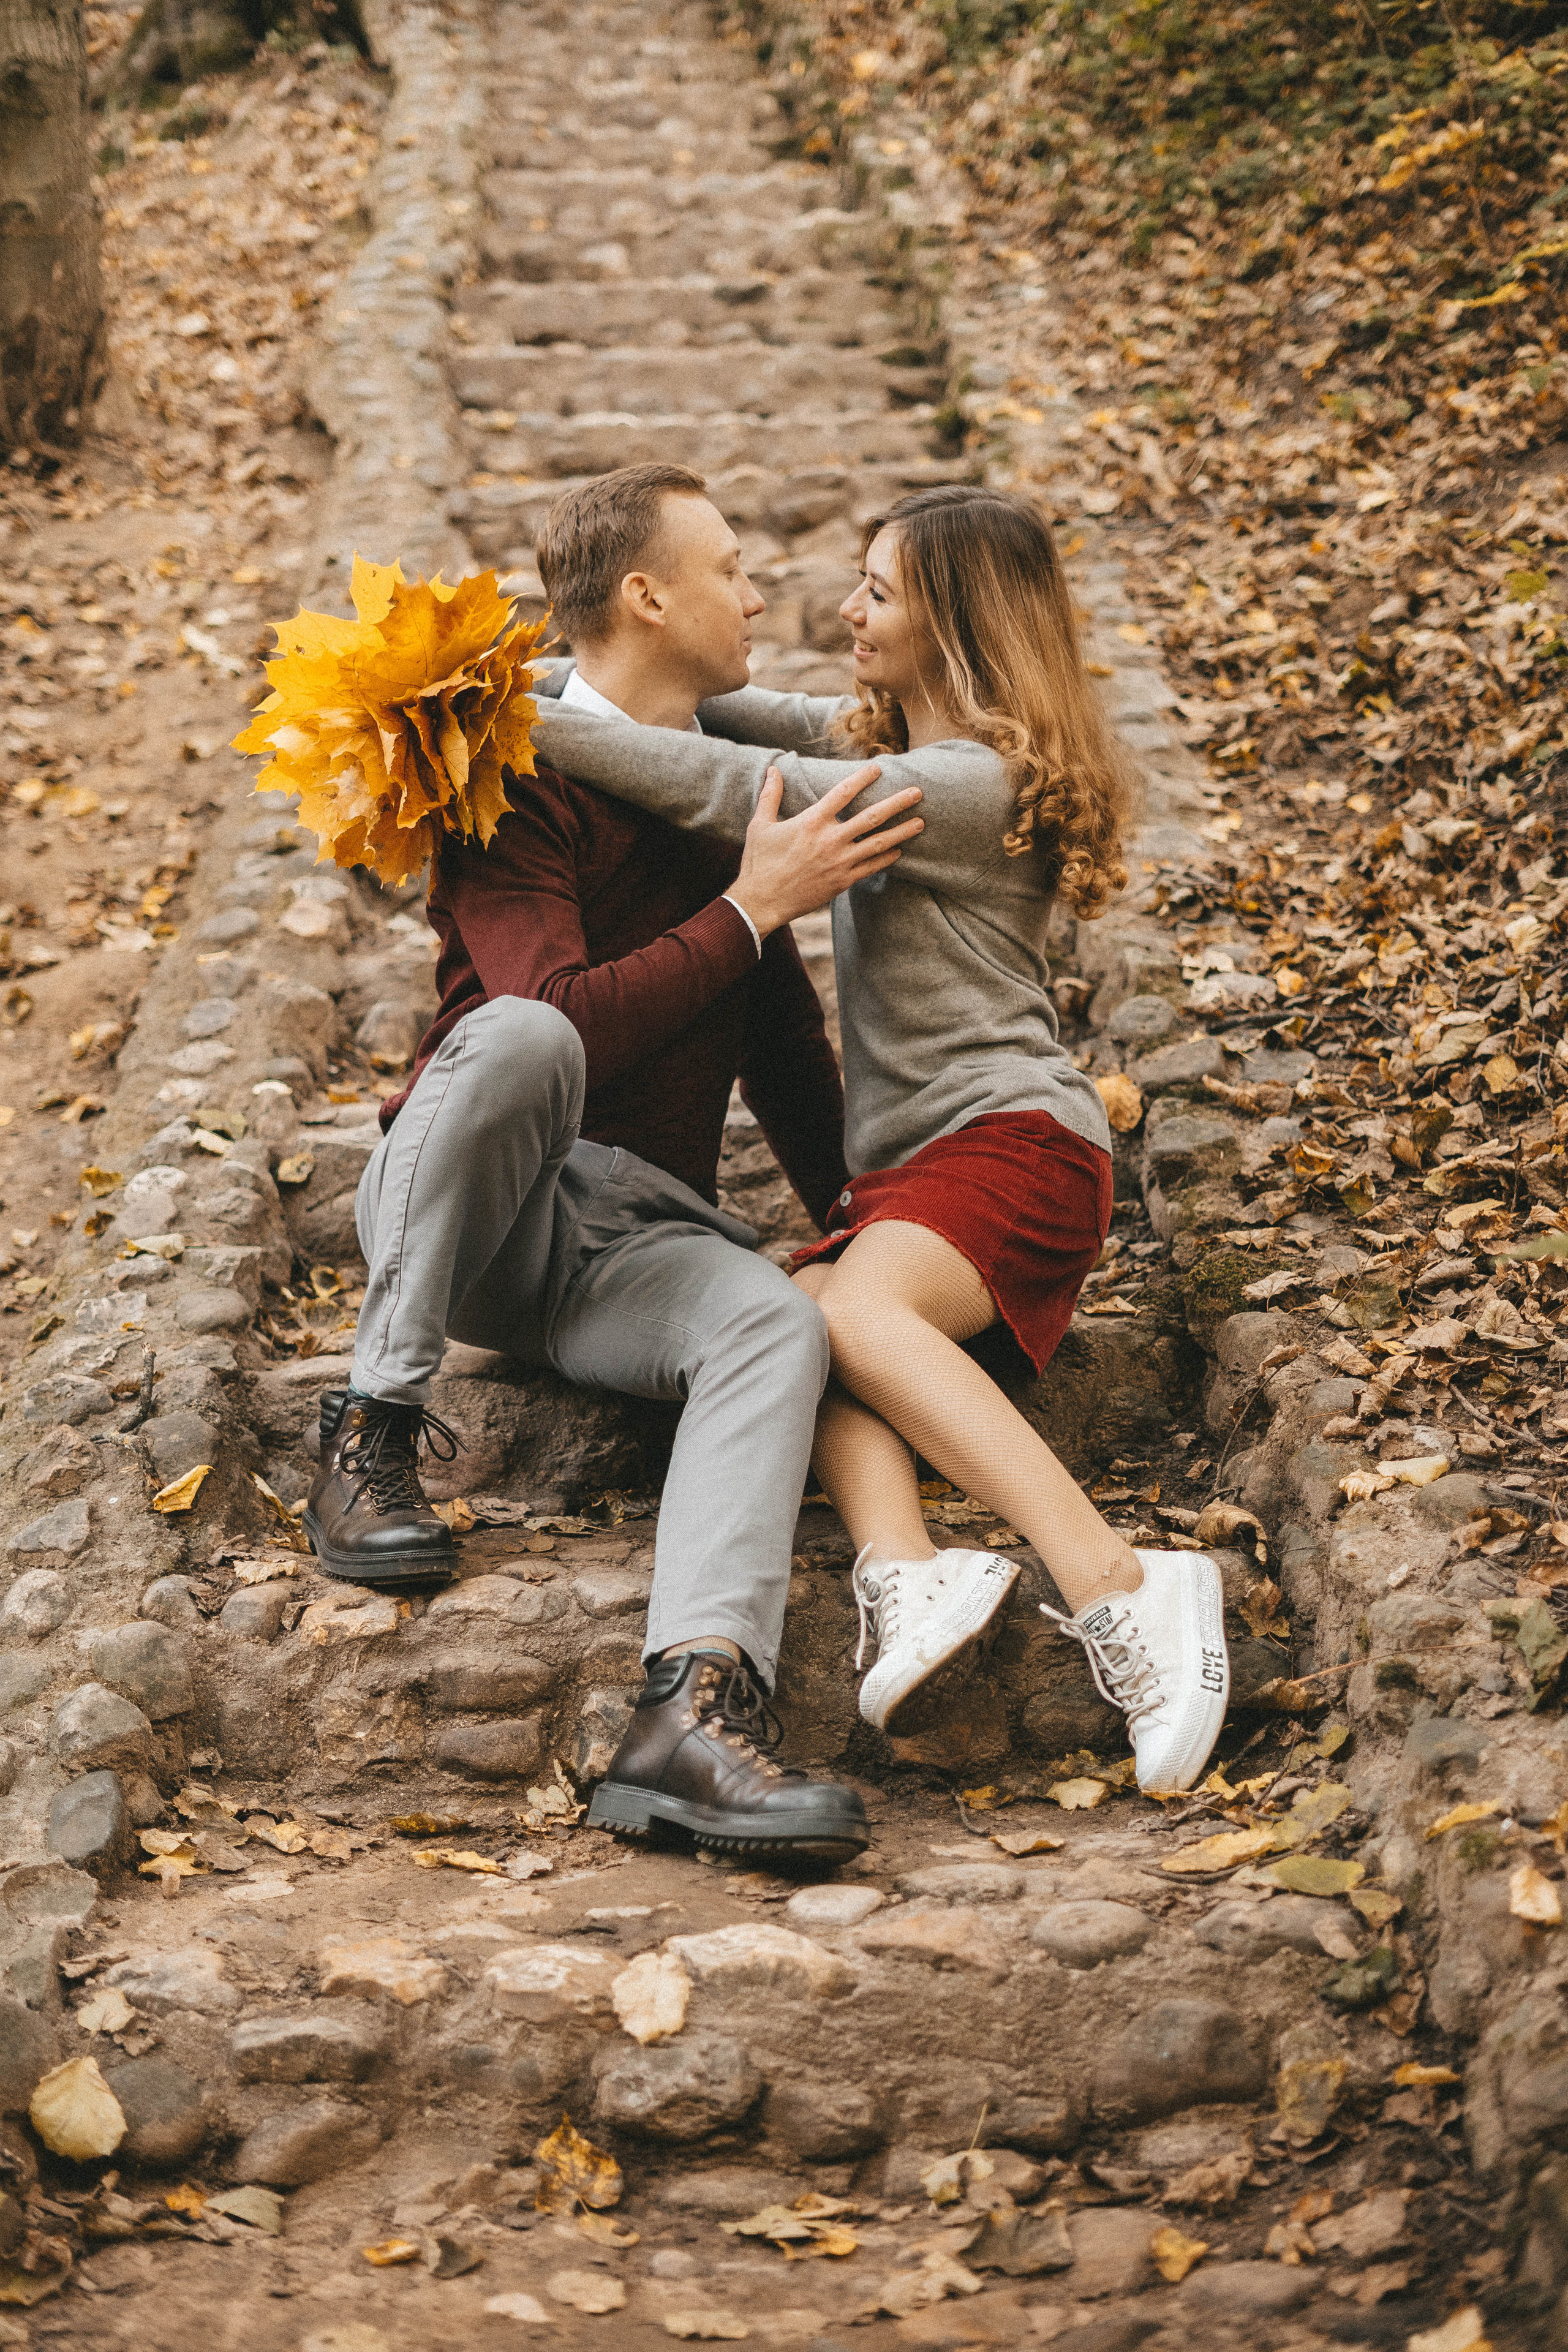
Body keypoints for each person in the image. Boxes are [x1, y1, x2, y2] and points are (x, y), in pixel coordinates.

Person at [529, 484, 1231, 1794]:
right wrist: (489, 675)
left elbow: (713, 774)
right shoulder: (878, 741)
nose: (841, 611)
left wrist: (505, 726)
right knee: (798, 1312)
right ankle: (904, 1572)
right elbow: (670, 705)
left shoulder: (963, 786)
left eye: (877, 593)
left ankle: (1122, 1581)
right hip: (917, 1177)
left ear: (953, 624)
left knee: (852, 1319)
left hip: (1013, 1144)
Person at [304, 461, 926, 1860]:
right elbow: (562, 1020)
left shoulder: (722, 790)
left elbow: (778, 1041)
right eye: (726, 568)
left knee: (769, 1320)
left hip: (628, 1241)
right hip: (474, 1211)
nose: (758, 595)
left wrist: (860, 1219)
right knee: (523, 1036)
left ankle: (692, 1715)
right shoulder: (503, 773)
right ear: (645, 595)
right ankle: (370, 1432)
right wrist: (753, 907)